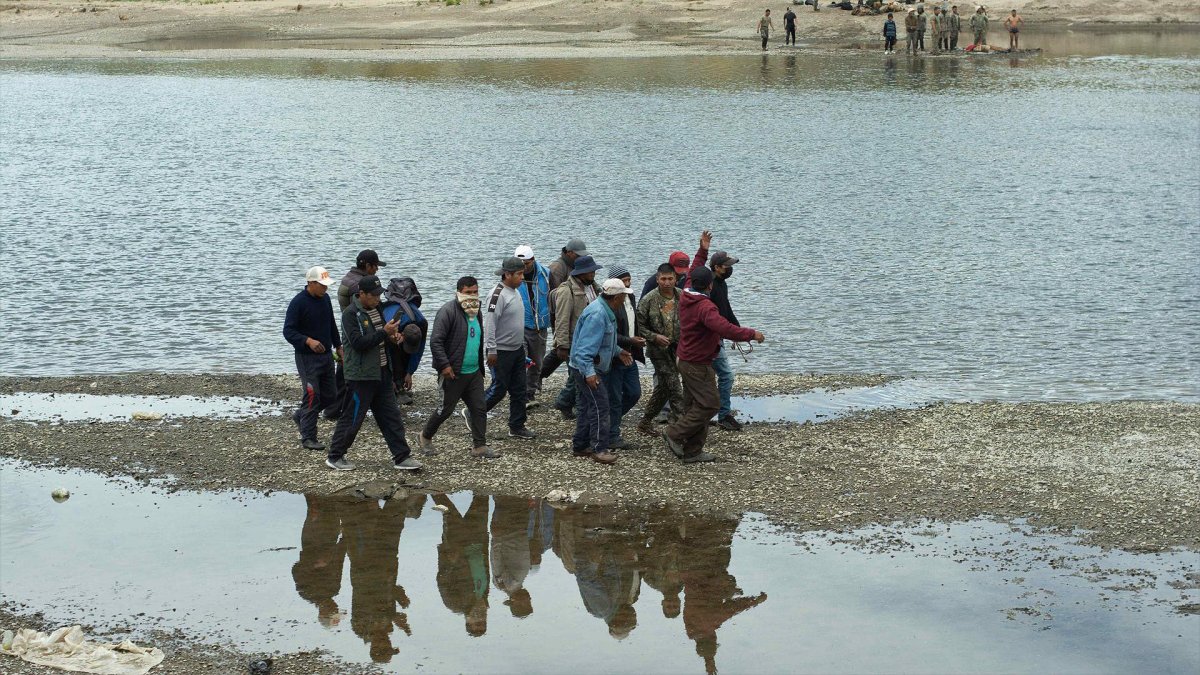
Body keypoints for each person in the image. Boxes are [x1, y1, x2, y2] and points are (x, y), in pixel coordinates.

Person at [664, 267, 764, 463]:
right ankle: (674, 433)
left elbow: (694, 270)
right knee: (710, 405)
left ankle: (692, 451)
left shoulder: (685, 294)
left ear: (693, 283)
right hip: (697, 363)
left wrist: (703, 251)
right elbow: (723, 327)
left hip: (686, 359)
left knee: (695, 405)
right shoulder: (705, 307)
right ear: (710, 285)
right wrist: (751, 334)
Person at [324, 274, 422, 471]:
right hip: (360, 376)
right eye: (374, 296)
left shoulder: (378, 309)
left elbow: (380, 338)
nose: (378, 299)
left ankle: (402, 456)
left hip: (382, 372)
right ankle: (335, 456)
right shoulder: (350, 314)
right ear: (362, 294)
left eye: (379, 295)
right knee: (352, 418)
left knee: (391, 416)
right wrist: (384, 333)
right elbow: (359, 344)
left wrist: (392, 338)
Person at [418, 276, 498, 459]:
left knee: (479, 408)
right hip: (453, 373)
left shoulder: (476, 311)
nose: (472, 296)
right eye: (468, 292)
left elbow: (477, 338)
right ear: (459, 292)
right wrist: (444, 365)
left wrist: (483, 361)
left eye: (475, 292)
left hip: (473, 372)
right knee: (445, 409)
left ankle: (479, 446)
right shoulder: (447, 311)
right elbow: (436, 341)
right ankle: (425, 436)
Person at [569, 279, 634, 465]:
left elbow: (603, 343)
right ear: (617, 297)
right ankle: (600, 449)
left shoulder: (603, 309)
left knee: (587, 406)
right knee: (600, 406)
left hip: (584, 365)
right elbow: (584, 350)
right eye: (623, 296)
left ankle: (581, 445)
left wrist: (618, 351)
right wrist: (590, 373)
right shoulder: (598, 314)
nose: (624, 299)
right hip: (587, 367)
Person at [283, 266, 343, 451]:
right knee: (312, 395)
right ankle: (308, 437)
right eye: (322, 285)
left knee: (330, 395)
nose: (325, 288)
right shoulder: (298, 302)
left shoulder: (325, 299)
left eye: (326, 285)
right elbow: (288, 331)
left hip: (325, 356)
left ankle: (301, 415)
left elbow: (331, 323)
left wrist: (339, 346)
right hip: (307, 357)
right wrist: (307, 341)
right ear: (311, 283)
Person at [328, 249, 387, 420]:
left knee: (343, 373)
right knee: (348, 373)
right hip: (359, 328)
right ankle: (337, 411)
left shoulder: (348, 277)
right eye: (375, 266)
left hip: (349, 328)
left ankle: (333, 409)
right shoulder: (360, 285)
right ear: (367, 266)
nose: (377, 269)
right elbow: (373, 308)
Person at [484, 257, 538, 440]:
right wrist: (491, 349)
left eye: (523, 273)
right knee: (499, 388)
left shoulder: (515, 291)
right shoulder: (497, 295)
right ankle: (476, 412)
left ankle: (517, 426)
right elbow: (490, 324)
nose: (522, 277)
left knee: (519, 389)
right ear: (507, 274)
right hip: (500, 351)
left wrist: (523, 350)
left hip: (516, 350)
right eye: (519, 274)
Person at [548, 254, 603, 420]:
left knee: (576, 376)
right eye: (590, 272)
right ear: (580, 273)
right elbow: (562, 319)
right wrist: (562, 345)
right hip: (574, 342)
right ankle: (581, 414)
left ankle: (564, 401)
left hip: (590, 340)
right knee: (579, 378)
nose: (593, 274)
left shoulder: (593, 287)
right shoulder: (566, 290)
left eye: (593, 271)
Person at [700, 250, 747, 431]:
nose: (730, 269)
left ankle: (708, 414)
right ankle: (723, 415)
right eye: (727, 266)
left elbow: (726, 308)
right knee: (726, 376)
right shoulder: (710, 285)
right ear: (717, 267)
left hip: (718, 337)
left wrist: (738, 331)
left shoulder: (721, 283)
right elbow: (711, 316)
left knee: (710, 378)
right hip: (710, 339)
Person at [636, 263, 684, 436]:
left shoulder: (682, 297)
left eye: (670, 278)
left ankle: (644, 422)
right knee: (675, 388)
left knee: (663, 389)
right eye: (663, 279)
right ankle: (682, 430)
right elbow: (638, 325)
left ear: (675, 279)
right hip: (658, 351)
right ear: (657, 279)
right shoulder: (648, 300)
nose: (666, 282)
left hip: (678, 348)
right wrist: (654, 337)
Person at [433, 493, 491, 637]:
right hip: (478, 542)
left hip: (457, 548)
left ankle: (426, 481)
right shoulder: (484, 600)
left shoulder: (454, 604)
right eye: (483, 623)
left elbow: (442, 581)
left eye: (476, 623)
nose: (480, 619)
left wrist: (450, 561)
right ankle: (481, 475)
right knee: (482, 499)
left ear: (468, 621)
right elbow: (485, 571)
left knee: (448, 511)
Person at [603, 265, 645, 450]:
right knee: (614, 397)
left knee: (634, 393)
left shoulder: (631, 297)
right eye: (624, 280)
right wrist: (628, 341)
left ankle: (610, 424)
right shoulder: (610, 303)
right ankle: (612, 434)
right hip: (615, 354)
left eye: (629, 279)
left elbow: (633, 323)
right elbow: (609, 332)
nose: (628, 283)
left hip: (630, 353)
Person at [380, 277, 426, 406]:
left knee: (404, 353)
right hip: (388, 330)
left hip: (406, 327)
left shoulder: (422, 323)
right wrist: (390, 380)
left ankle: (400, 384)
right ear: (402, 334)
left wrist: (410, 372)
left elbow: (418, 351)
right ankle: (396, 388)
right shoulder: (392, 323)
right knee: (394, 352)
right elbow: (384, 352)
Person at [515, 245, 550, 405]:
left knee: (537, 362)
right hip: (519, 325)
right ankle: (521, 394)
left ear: (533, 260)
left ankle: (530, 393)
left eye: (526, 263)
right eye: (520, 263)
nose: (523, 266)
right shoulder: (511, 276)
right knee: (523, 359)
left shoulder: (546, 274)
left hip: (540, 326)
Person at [639, 230, 711, 299]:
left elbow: (696, 266)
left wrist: (703, 251)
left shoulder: (686, 279)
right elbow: (641, 307)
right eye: (678, 272)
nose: (680, 275)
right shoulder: (651, 283)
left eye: (683, 272)